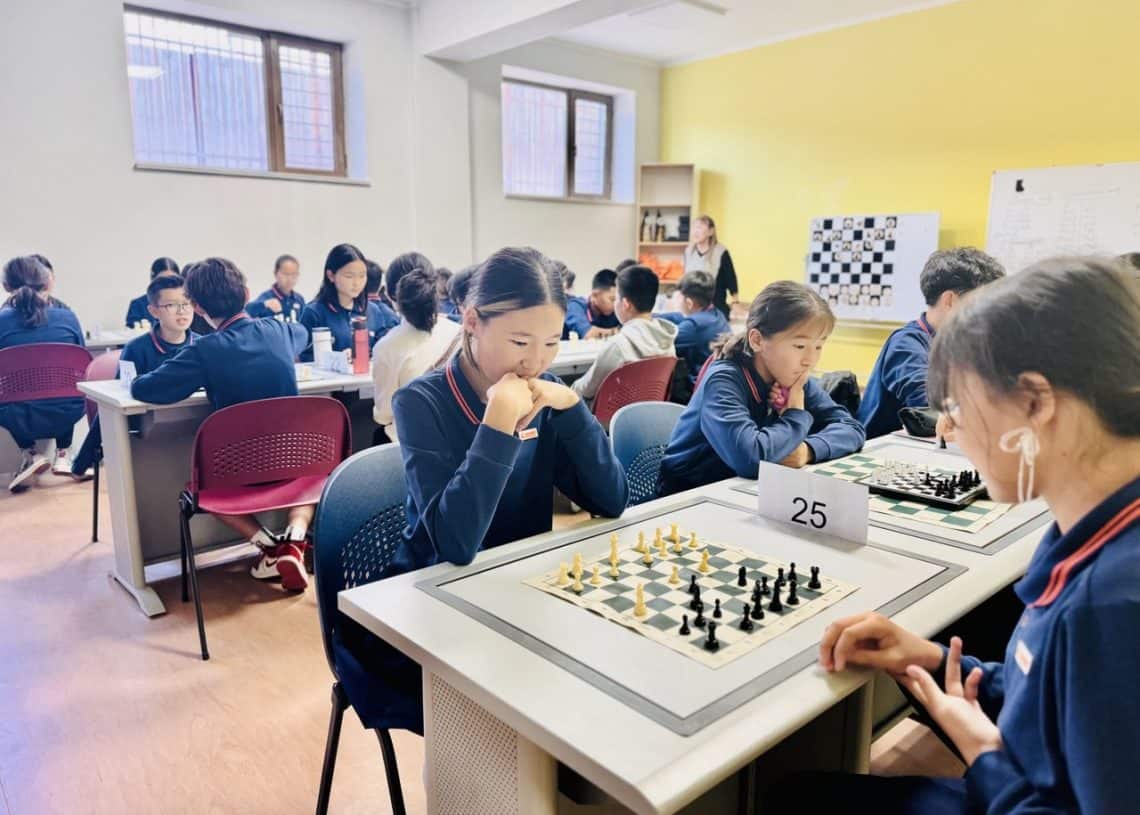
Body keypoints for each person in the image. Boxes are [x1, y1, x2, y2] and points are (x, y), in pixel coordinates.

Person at [781, 258, 1140, 815]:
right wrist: (931, 657)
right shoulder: (1093, 534)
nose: (945, 428)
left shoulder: (1110, 603)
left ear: (1035, 402)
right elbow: (1049, 695)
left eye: (956, 405)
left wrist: (983, 753)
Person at [131, 258, 314, 591]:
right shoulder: (279, 330)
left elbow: (146, 388)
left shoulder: (204, 349)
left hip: (237, 472)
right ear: (246, 293)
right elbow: (302, 333)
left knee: (203, 490)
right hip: (292, 464)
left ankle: (269, 546)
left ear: (198, 307)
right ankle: (296, 537)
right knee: (314, 472)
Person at [658, 281, 865, 496]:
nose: (810, 360)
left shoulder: (793, 376)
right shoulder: (724, 379)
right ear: (757, 340)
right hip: (689, 500)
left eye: (819, 346)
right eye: (800, 346)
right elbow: (750, 459)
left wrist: (807, 450)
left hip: (746, 493)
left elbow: (851, 427)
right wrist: (795, 415)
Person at [857, 248, 1005, 439]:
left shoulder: (962, 343)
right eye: (982, 302)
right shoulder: (906, 343)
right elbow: (932, 403)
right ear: (950, 300)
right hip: (879, 450)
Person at [71, 274, 201, 477]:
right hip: (146, 438)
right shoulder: (136, 349)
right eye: (171, 305)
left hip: (192, 434)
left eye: (186, 303)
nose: (182, 311)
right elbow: (115, 402)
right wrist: (84, 459)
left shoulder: (201, 345)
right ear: (153, 311)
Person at [0, 256, 88, 491]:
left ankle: (30, 453)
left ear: (6, 287)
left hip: (14, 413)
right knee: (64, 384)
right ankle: (64, 453)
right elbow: (81, 368)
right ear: (47, 283)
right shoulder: (68, 317)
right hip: (70, 408)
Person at [371, 267, 462, 443]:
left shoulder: (387, 346)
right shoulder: (459, 334)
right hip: (456, 437)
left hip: (409, 444)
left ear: (395, 300)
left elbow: (384, 415)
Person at [571, 264, 677, 407]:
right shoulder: (668, 341)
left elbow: (586, 390)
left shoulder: (618, 346)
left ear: (625, 304)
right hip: (649, 414)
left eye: (616, 299)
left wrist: (569, 389)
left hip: (610, 421)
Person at [299, 245, 397, 363]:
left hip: (367, 379)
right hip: (330, 380)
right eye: (349, 276)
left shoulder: (373, 311)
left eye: (362, 276)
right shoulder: (314, 313)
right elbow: (304, 357)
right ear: (331, 275)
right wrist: (337, 359)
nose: (357, 283)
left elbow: (382, 350)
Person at [655, 270, 730, 390]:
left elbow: (658, 345)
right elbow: (677, 316)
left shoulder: (694, 327)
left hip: (699, 390)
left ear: (689, 303)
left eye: (679, 297)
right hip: (718, 383)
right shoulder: (716, 314)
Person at [683, 215, 738, 319]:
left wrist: (735, 302)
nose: (695, 231)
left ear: (710, 231)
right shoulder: (688, 252)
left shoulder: (721, 252)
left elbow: (731, 278)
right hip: (692, 306)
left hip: (715, 305)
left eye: (700, 227)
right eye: (694, 227)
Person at [562, 268, 620, 340]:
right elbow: (589, 335)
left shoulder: (615, 311)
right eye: (612, 299)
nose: (616, 303)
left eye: (618, 299)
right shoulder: (575, 306)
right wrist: (616, 331)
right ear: (594, 295)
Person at [245, 254, 305, 322]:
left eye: (294, 274)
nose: (290, 279)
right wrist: (264, 305)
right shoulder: (266, 298)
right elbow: (247, 311)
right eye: (286, 274)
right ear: (275, 274)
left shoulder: (299, 299)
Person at [124, 257, 179, 327]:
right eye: (162, 280)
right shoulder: (138, 305)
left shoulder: (185, 304)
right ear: (153, 280)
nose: (167, 284)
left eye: (172, 279)